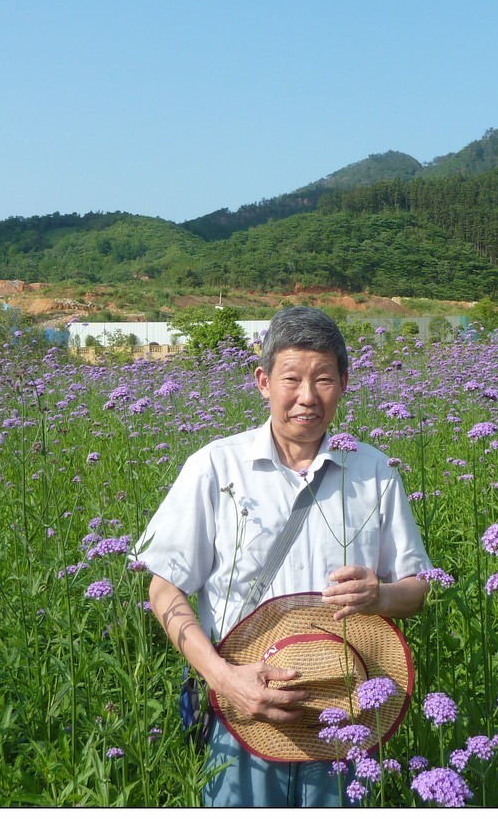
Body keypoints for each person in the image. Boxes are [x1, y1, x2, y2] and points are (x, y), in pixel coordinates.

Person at [135, 306, 431, 807]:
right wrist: (225, 679)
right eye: (291, 378)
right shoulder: (216, 466)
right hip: (243, 710)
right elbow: (163, 588)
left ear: (344, 382)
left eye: (323, 379)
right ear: (263, 381)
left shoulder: (375, 471)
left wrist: (380, 595)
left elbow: (417, 588)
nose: (306, 397)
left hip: (348, 710)